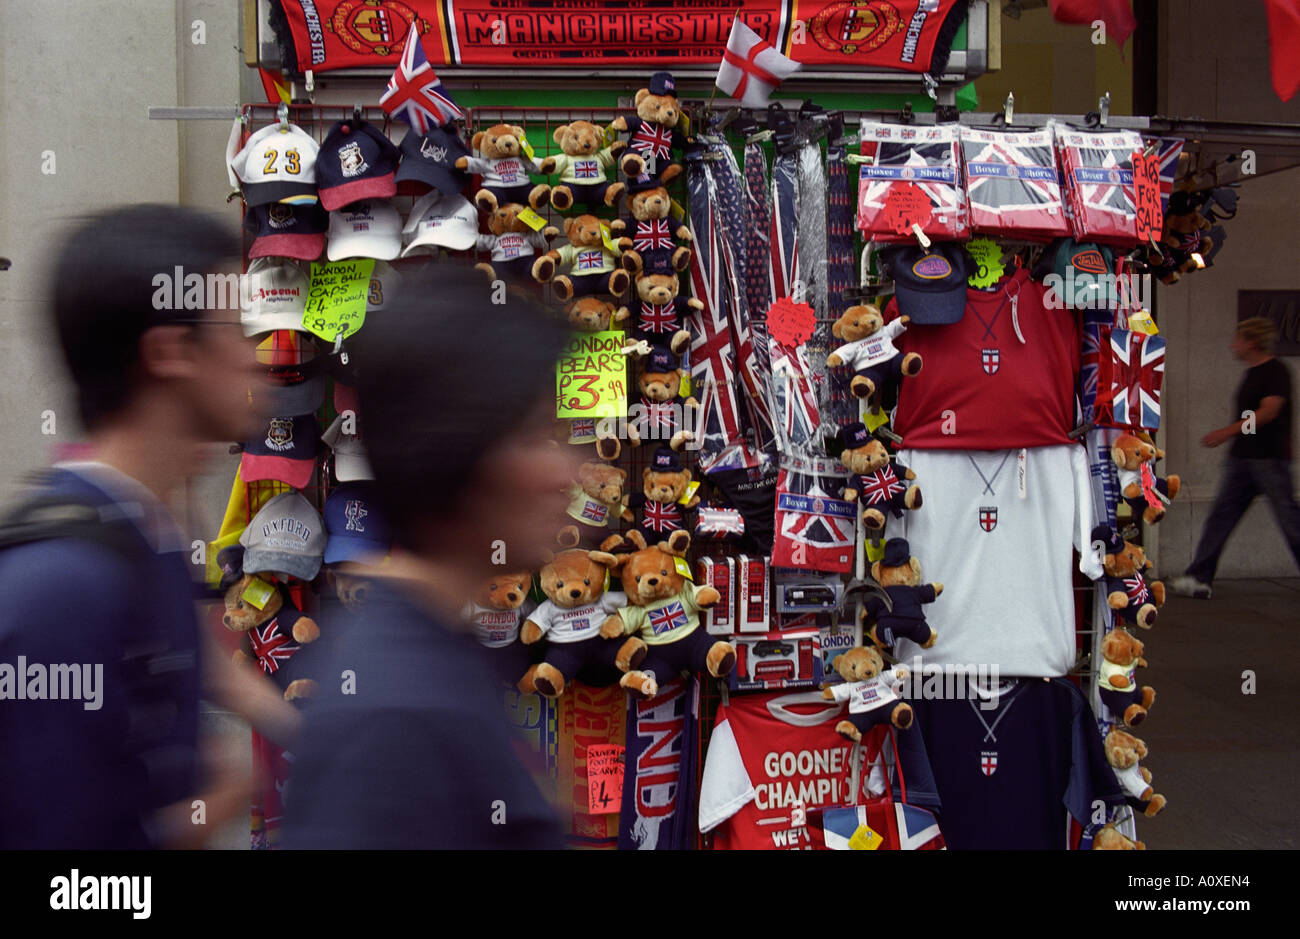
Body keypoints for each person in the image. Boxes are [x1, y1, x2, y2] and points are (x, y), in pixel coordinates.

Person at [0, 205, 302, 848]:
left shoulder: (151, 529)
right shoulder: (62, 585)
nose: (257, 361)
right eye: (235, 331)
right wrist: (212, 807)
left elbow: (207, 665)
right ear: (169, 353)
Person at [283, 267, 575, 849]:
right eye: (532, 439)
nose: (562, 473)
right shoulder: (394, 717)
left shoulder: (431, 655)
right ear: (458, 456)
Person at [1170, 317, 1300, 599]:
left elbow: (1268, 412)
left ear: (1251, 342)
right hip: (1243, 460)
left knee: (1289, 519)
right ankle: (1199, 578)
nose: (1233, 345)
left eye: (1238, 339)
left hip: (1269, 460)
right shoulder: (1252, 373)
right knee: (1221, 517)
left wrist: (1227, 432)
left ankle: (1199, 575)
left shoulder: (1275, 371)